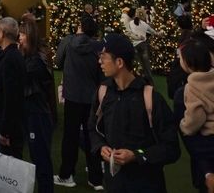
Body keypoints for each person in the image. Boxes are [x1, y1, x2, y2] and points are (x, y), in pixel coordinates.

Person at [89, 33, 180, 192]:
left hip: (147, 184)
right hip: (114, 183)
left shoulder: (151, 98)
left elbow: (171, 148)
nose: (99, 61)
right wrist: (100, 147)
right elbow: (93, 128)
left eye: (103, 57)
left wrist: (136, 155)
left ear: (119, 62)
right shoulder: (103, 93)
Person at [54, 14, 103, 190]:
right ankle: (96, 178)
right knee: (93, 135)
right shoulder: (98, 47)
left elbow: (58, 61)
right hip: (91, 97)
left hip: (73, 96)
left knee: (70, 136)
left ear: (80, 27)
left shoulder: (68, 41)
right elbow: (101, 72)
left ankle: (67, 174)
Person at [19, 14, 54, 193]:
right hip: (32, 112)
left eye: (22, 34)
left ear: (30, 36)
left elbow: (22, 77)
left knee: (41, 159)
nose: (19, 37)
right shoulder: (30, 57)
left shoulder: (35, 60)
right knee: (37, 156)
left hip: (37, 114)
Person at [176, 38, 214, 193]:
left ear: (188, 64)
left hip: (208, 144)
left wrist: (184, 126)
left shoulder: (192, 87)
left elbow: (195, 119)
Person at [0, 17, 25, 159]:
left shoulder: (10, 59)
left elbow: (11, 97)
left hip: (8, 126)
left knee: (7, 165)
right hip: (10, 123)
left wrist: (5, 130)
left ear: (3, 33)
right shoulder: (12, 55)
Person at [128, 7, 160, 84]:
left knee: (138, 65)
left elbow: (129, 33)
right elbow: (154, 32)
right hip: (143, 45)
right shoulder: (145, 25)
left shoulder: (131, 23)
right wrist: (159, 33)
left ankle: (137, 82)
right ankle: (151, 83)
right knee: (146, 66)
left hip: (134, 46)